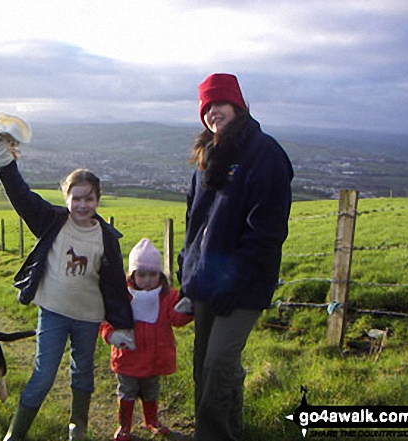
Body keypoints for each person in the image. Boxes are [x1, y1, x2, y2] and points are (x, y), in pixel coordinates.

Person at [0, 122, 134, 441]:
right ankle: (16, 434)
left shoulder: (107, 239)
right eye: (76, 198)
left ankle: (77, 426)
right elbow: (21, 197)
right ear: (65, 197)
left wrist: (122, 326)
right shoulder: (52, 222)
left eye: (89, 199)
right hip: (52, 311)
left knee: (82, 374)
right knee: (43, 375)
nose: (82, 205)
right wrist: (3, 158)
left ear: (98, 200)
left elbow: (114, 286)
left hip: (88, 318)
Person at [177, 73, 293, 441]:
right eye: (206, 107)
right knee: (204, 368)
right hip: (205, 285)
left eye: (220, 104)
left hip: (243, 287)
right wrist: (186, 274)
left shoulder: (265, 155)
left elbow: (266, 232)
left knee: (218, 365)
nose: (213, 112)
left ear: (238, 105)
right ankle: (228, 432)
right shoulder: (208, 156)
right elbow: (193, 223)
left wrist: (235, 281)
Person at [101, 238, 193, 441]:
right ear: (132, 274)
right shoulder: (122, 296)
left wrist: (190, 309)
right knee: (127, 392)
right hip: (128, 357)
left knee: (151, 391)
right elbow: (107, 320)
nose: (148, 279)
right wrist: (111, 335)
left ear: (160, 274)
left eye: (152, 274)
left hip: (154, 358)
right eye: (141, 274)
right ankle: (124, 427)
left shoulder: (167, 297)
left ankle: (152, 421)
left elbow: (176, 319)